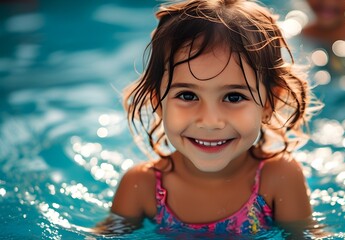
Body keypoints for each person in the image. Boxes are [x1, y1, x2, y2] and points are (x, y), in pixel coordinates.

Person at [94, 0, 320, 236]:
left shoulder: (279, 179)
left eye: (233, 97)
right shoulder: (141, 187)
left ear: (268, 103)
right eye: (187, 95)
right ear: (157, 102)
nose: (210, 121)